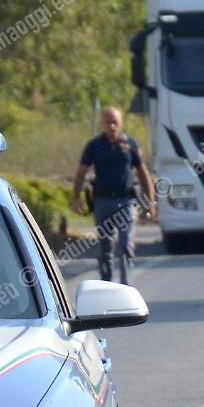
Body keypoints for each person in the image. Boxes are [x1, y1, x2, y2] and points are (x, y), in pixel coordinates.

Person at [71, 107, 156, 284]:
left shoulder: (130, 145)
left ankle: (126, 286)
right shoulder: (94, 146)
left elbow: (143, 174)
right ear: (102, 123)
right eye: (108, 122)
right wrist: (76, 197)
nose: (111, 126)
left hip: (126, 201)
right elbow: (81, 171)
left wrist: (150, 202)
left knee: (125, 245)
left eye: (115, 122)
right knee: (105, 247)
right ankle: (107, 284)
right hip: (102, 202)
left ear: (121, 123)